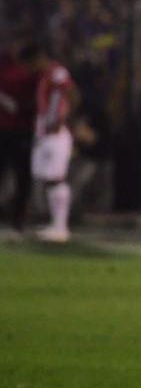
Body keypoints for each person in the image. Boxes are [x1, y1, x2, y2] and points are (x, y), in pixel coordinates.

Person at [24, 43, 78, 243]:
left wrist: (67, 119)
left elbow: (71, 93)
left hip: (56, 133)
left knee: (56, 178)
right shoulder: (46, 76)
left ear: (37, 58)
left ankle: (61, 228)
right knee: (48, 179)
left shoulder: (57, 73)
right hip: (46, 132)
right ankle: (56, 225)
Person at [0, 45, 37, 232]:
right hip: (4, 130)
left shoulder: (28, 72)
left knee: (22, 176)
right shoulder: (5, 68)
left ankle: (19, 218)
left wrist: (20, 107)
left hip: (21, 130)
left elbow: (35, 100)